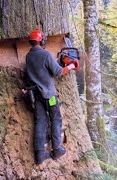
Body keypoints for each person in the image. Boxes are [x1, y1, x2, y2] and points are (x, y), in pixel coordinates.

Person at [24, 29, 79, 165]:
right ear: (42, 40)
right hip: (49, 95)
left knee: (40, 122)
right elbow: (59, 71)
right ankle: (57, 149)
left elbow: (42, 68)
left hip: (35, 95)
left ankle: (40, 154)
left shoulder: (28, 56)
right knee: (55, 119)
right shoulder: (45, 54)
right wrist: (72, 65)